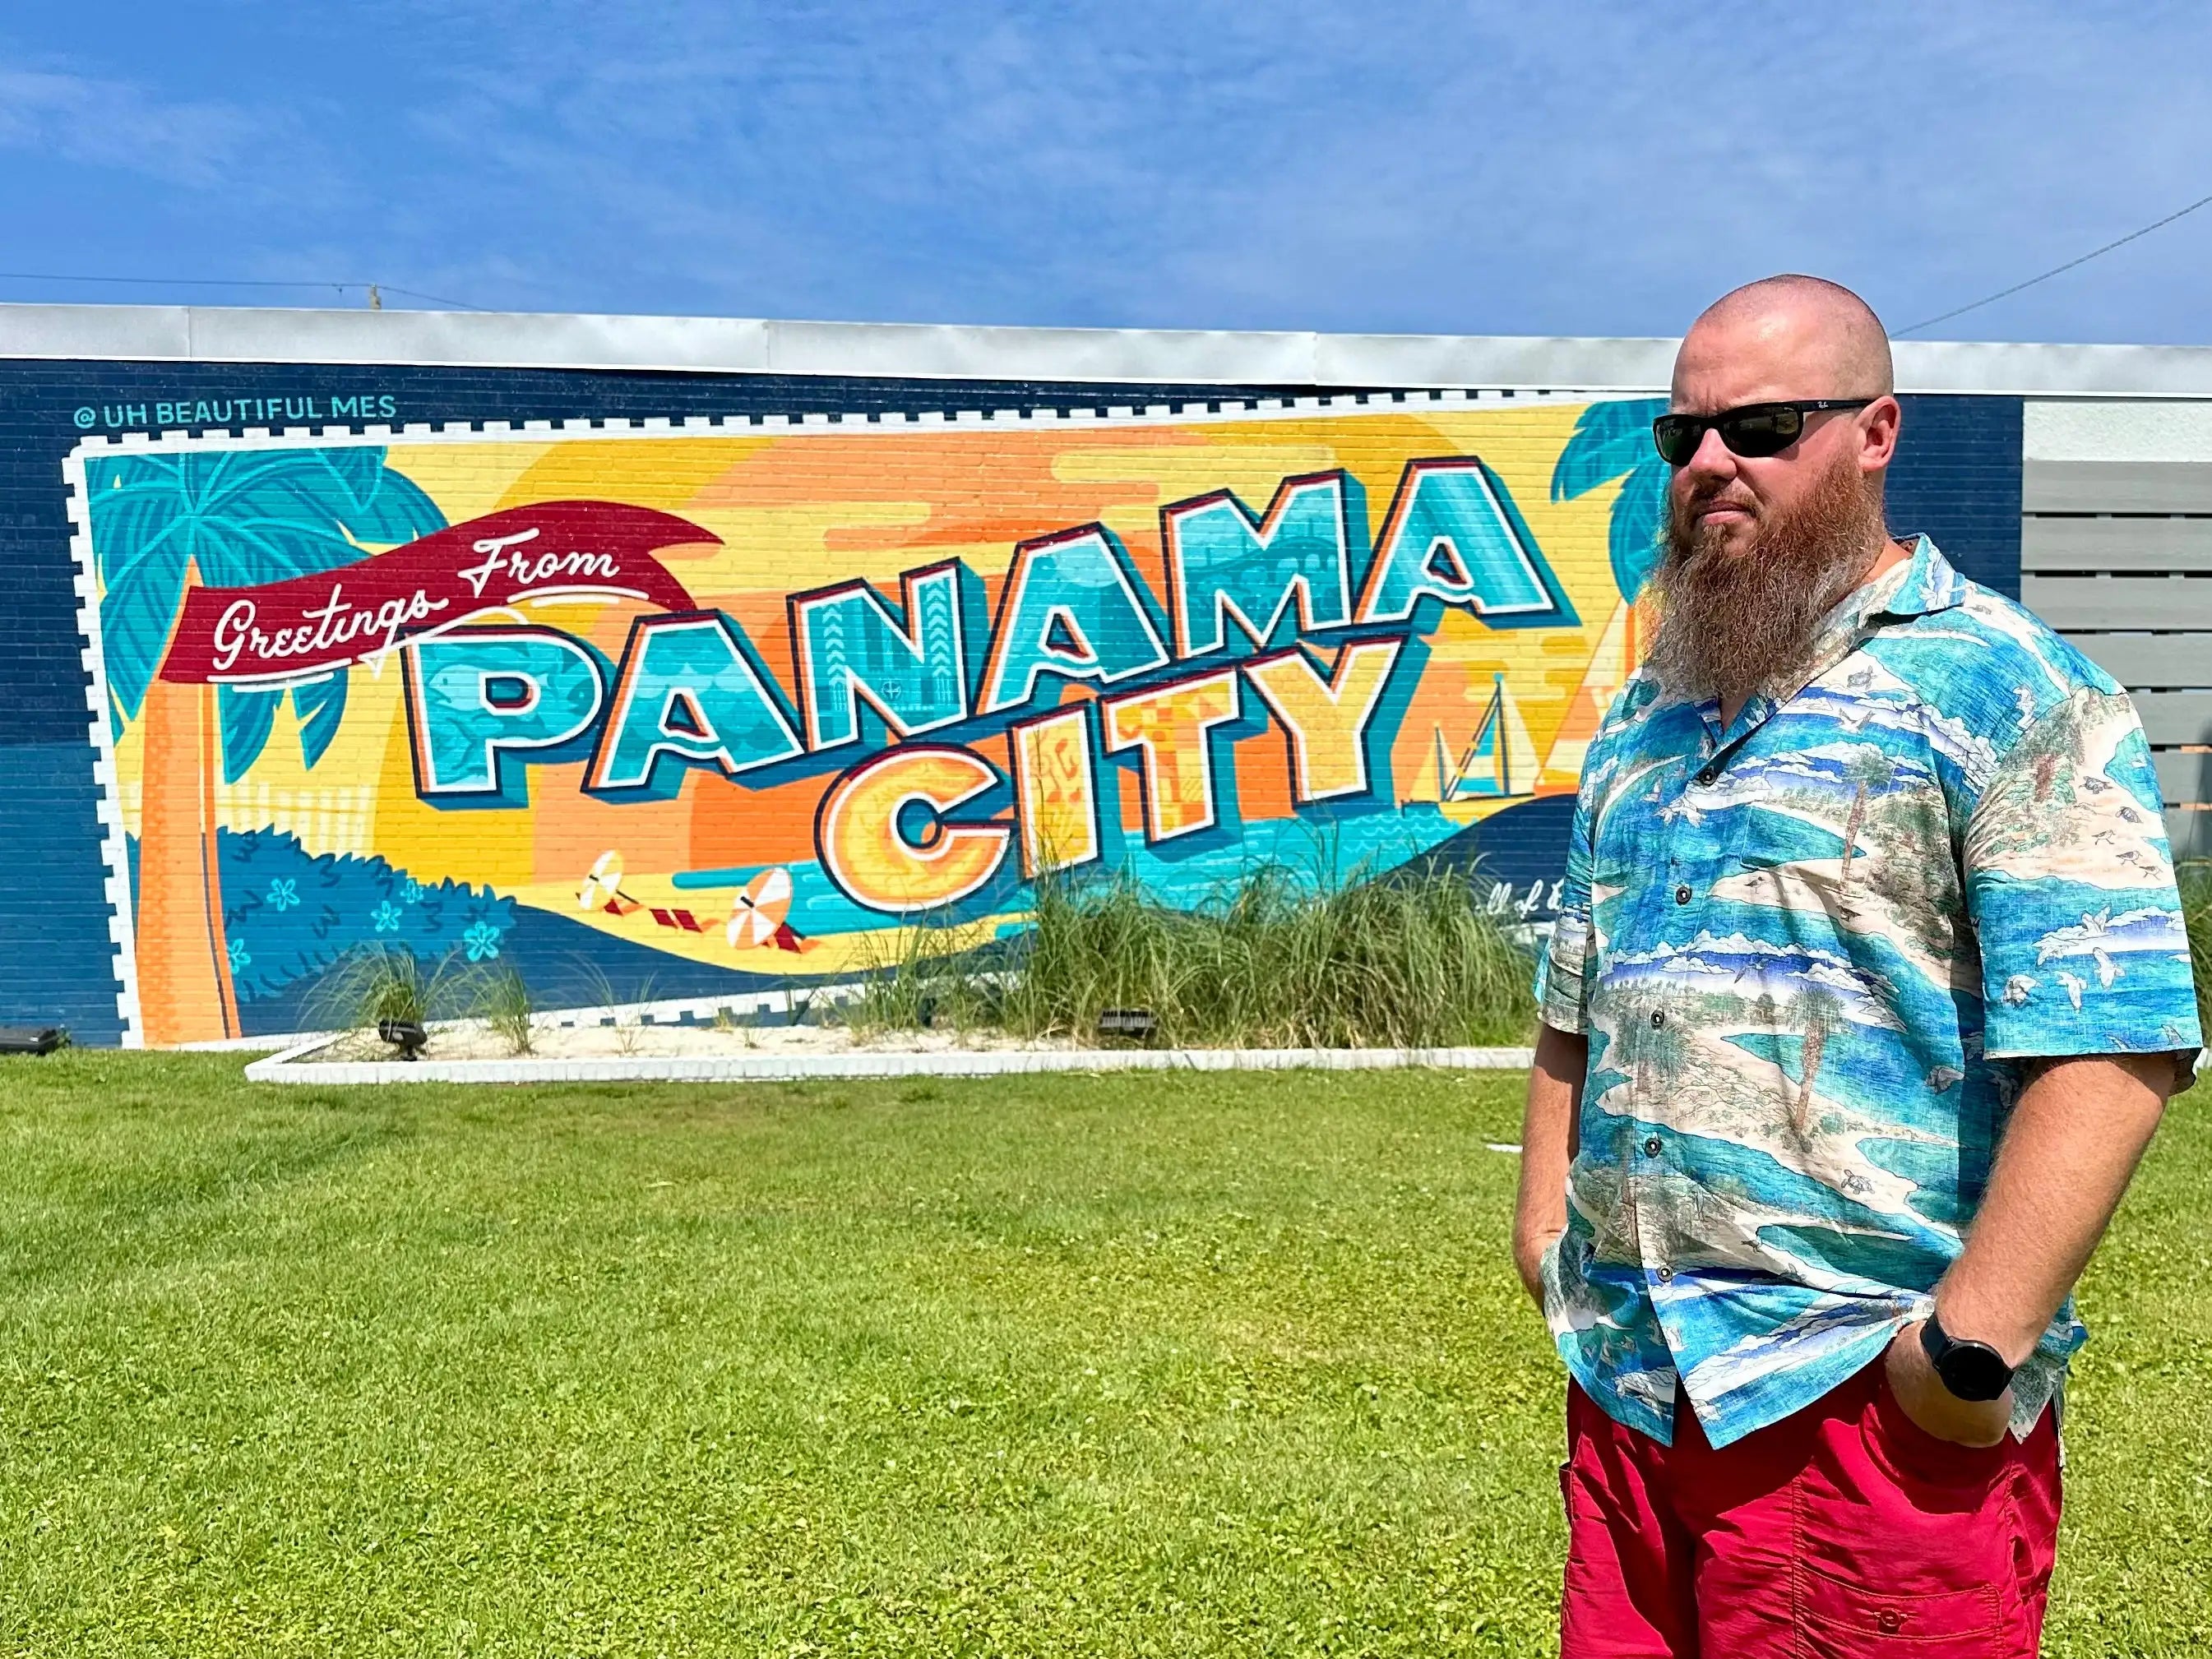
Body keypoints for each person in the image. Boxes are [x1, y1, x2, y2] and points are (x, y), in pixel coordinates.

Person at [1514, 274, 2202, 1658]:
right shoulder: (1649, 712)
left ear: (1874, 432)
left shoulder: (2005, 688)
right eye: (1684, 433)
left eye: (1763, 424)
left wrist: (1961, 1357)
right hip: (1637, 1394)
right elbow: (1575, 1005)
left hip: (1854, 1409)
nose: (1712, 461)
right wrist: (1542, 1240)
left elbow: (2114, 1043)